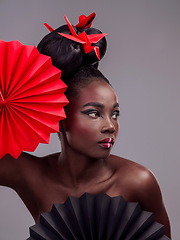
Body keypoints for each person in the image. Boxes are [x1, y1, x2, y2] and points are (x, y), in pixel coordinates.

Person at [0, 14, 171, 238]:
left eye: (115, 113)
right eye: (94, 113)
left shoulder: (138, 181)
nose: (110, 125)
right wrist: (10, 99)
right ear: (59, 118)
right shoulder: (31, 175)